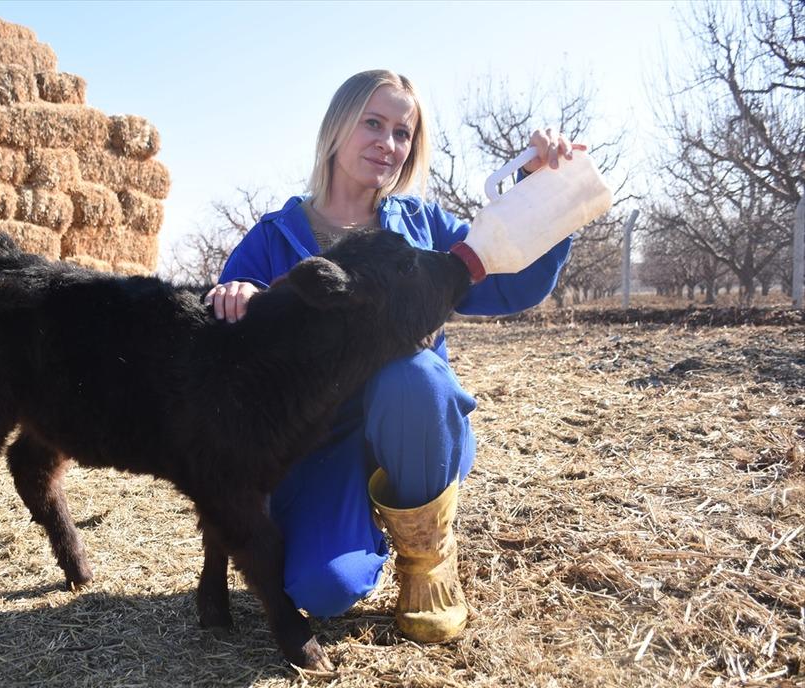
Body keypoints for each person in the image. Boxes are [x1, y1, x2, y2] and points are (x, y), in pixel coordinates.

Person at [203, 69, 576, 643]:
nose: (388, 142)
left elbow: (512, 282)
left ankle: (428, 559)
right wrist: (237, 297)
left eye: (403, 132)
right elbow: (227, 364)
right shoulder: (273, 238)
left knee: (413, 376)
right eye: (372, 123)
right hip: (318, 446)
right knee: (323, 590)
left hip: (411, 426)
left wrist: (540, 191)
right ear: (337, 128)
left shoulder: (424, 229)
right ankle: (356, 528)